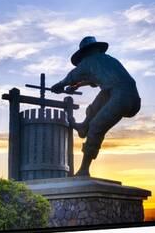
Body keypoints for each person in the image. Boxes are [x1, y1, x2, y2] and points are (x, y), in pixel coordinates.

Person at [51, 36, 141, 177]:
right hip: (130, 96)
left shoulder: (89, 61)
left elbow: (74, 75)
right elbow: (93, 78)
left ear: (84, 53)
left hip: (120, 96)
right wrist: (76, 86)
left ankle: (84, 169)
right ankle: (83, 127)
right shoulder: (108, 60)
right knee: (96, 105)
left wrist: (60, 84)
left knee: (96, 127)